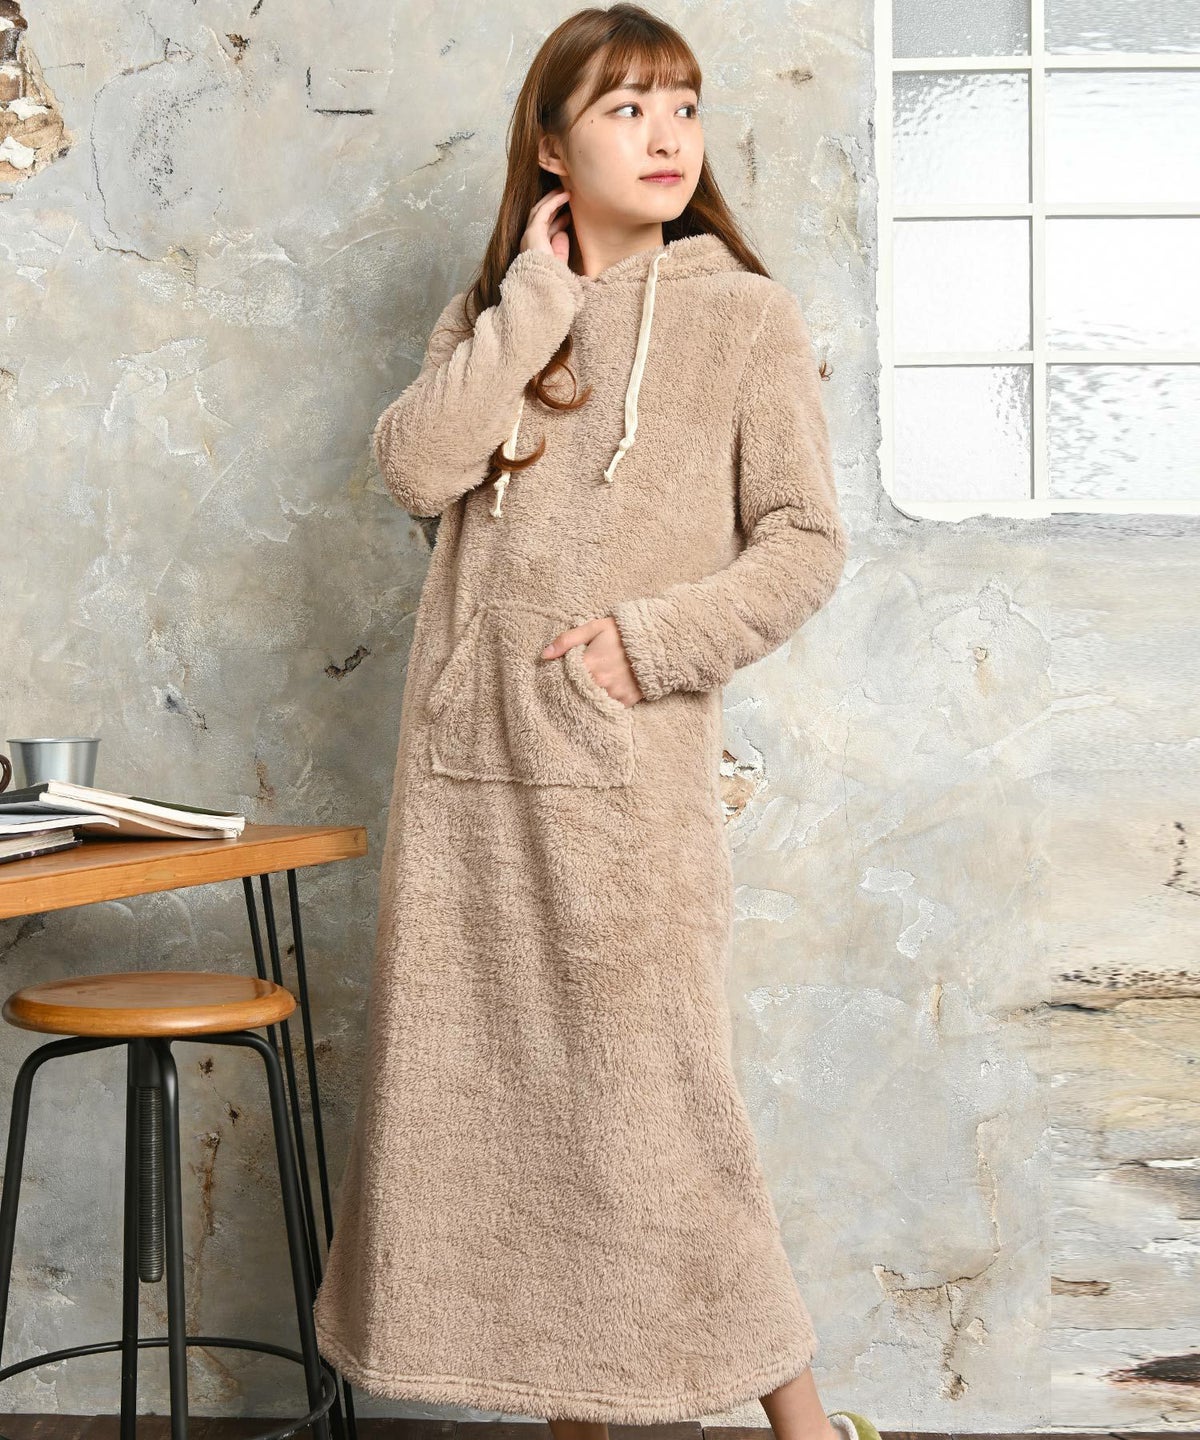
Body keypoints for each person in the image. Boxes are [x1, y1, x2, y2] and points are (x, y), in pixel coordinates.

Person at [313, 8, 872, 1440]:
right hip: (469, 797)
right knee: (535, 1143)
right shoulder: (494, 320)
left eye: (682, 104)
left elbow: (805, 543)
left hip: (626, 791)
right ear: (553, 146)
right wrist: (533, 309)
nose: (666, 135)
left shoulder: (744, 317)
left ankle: (807, 1429)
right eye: (626, 109)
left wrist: (650, 640)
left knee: (661, 1120)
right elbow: (416, 471)